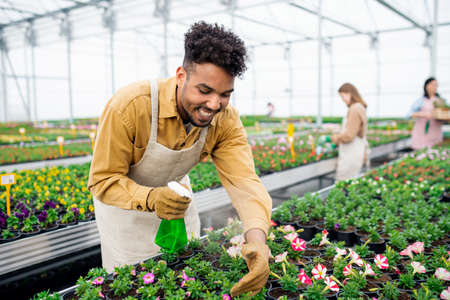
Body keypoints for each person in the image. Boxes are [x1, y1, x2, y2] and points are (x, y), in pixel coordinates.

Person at [87, 21, 271, 297]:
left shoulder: (225, 119)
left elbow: (244, 180)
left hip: (178, 209)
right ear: (181, 75)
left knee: (184, 281)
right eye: (205, 90)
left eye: (225, 94)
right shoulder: (131, 107)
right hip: (125, 218)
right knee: (135, 288)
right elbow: (103, 180)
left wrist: (256, 238)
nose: (213, 104)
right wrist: (152, 199)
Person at [330, 83, 369, 181]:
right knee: (351, 183)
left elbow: (349, 135)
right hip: (356, 151)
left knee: (343, 183)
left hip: (351, 153)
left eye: (343, 96)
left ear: (350, 94)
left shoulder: (355, 109)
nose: (342, 99)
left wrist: (333, 138)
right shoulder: (360, 107)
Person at [407, 77, 444, 150]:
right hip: (422, 133)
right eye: (432, 85)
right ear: (426, 86)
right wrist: (422, 114)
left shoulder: (440, 101)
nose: (435, 87)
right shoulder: (421, 100)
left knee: (434, 153)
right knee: (420, 153)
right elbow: (409, 115)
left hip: (435, 132)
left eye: (436, 85)